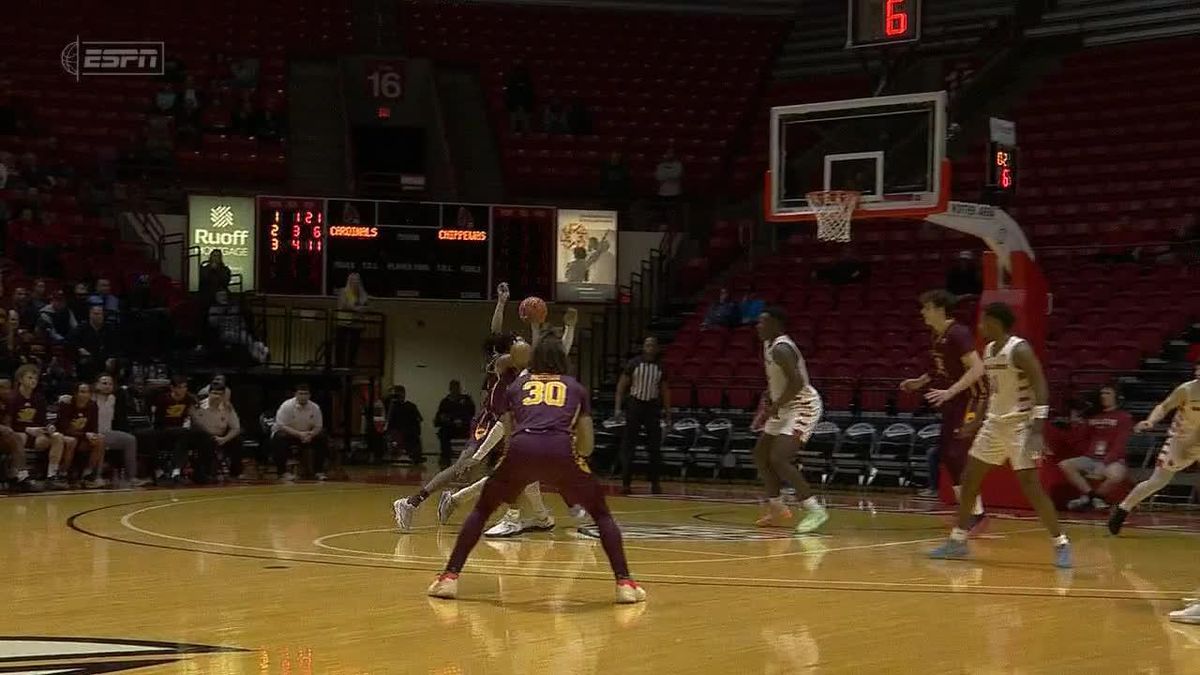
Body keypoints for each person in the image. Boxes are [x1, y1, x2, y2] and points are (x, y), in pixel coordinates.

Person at [426, 336, 647, 605]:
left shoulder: (517, 387)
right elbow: (587, 446)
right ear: (563, 361)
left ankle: (449, 578)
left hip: (522, 448)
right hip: (560, 449)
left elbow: (508, 432)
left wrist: (513, 466)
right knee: (601, 514)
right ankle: (624, 583)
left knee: (482, 511)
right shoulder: (575, 388)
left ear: (535, 360)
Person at [929, 302, 1072, 568]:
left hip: (1021, 425)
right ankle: (958, 541)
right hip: (994, 425)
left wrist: (1038, 430)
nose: (980, 326)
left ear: (995, 322)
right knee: (969, 479)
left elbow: (1041, 387)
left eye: (983, 321)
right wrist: (976, 421)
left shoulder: (1019, 349)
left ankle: (1061, 543)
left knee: (1032, 488)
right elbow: (993, 392)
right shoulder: (989, 351)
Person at [900, 290, 987, 523]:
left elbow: (977, 368)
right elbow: (939, 368)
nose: (922, 312)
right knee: (947, 455)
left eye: (926, 307)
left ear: (939, 309)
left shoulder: (958, 333)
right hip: (955, 400)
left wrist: (950, 391)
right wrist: (919, 382)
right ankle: (970, 510)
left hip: (973, 398)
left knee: (956, 453)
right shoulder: (937, 336)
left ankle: (975, 512)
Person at [751, 308, 828, 532]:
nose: (758, 326)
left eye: (762, 322)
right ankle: (777, 507)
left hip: (802, 406)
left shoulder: (782, 348)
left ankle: (815, 509)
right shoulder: (768, 345)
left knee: (779, 458)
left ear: (776, 325)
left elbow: (796, 384)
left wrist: (774, 406)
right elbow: (777, 381)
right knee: (761, 454)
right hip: (783, 406)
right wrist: (767, 402)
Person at [1107, 360, 1200, 535]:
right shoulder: (1186, 390)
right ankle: (1122, 510)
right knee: (1158, 481)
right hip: (1180, 441)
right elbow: (1164, 406)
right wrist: (1151, 420)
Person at [1059, 385, 1132, 510]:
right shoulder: (1093, 417)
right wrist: (1075, 423)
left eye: (1108, 393)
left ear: (1116, 397)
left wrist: (1105, 462)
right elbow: (1078, 439)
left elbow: (1120, 443)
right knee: (1065, 465)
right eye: (1102, 393)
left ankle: (1095, 498)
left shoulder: (1124, 417)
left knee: (1116, 475)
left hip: (1113, 459)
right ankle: (1092, 496)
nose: (1103, 396)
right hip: (1091, 457)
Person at [614, 336, 671, 495]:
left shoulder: (660, 367)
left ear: (657, 348)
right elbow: (621, 386)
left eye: (653, 345)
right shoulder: (634, 364)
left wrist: (668, 413)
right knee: (629, 446)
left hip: (652, 407)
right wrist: (618, 409)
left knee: (654, 447)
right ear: (643, 347)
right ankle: (626, 483)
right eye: (647, 345)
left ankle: (655, 483)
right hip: (635, 405)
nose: (650, 348)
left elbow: (665, 391)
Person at [9, 364, 69, 489]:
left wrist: (49, 427)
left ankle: (52, 476)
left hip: (36, 435)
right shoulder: (12, 398)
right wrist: (27, 429)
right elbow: (8, 425)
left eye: (35, 379)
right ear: (20, 379)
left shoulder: (39, 398)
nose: (33, 381)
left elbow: (43, 420)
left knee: (57, 437)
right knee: (18, 437)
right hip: (19, 433)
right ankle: (21, 476)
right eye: (30, 378)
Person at [93, 373, 150, 487]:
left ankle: (131, 477)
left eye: (110, 384)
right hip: (92, 432)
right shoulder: (90, 398)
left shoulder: (113, 399)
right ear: (96, 385)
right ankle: (96, 477)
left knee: (130, 439)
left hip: (107, 432)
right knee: (101, 440)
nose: (107, 386)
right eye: (104, 383)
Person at [271, 382, 328, 481]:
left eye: (305, 394)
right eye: (301, 393)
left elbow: (318, 426)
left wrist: (311, 434)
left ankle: (318, 471)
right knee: (279, 438)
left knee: (322, 437)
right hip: (289, 434)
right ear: (296, 394)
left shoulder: (315, 408)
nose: (303, 396)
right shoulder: (287, 406)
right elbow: (282, 425)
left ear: (309, 395)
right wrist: (299, 434)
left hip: (306, 435)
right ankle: (282, 473)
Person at [189, 381, 241, 482]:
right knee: (205, 441)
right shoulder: (198, 407)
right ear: (209, 393)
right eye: (214, 393)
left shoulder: (228, 408)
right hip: (202, 437)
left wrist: (224, 439)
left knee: (237, 440)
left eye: (220, 394)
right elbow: (192, 424)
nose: (217, 397)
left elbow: (236, 428)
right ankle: (206, 473)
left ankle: (235, 473)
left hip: (221, 436)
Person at [58, 381, 106, 488]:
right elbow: (64, 429)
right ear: (75, 393)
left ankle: (88, 475)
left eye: (88, 392)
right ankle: (62, 474)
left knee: (100, 439)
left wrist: (93, 435)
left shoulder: (93, 406)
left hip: (83, 437)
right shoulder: (66, 404)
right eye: (82, 392)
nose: (85, 395)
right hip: (67, 436)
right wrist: (85, 435)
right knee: (72, 441)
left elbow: (94, 427)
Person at [0, 377, 40, 492]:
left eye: (7, 388)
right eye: (2, 388)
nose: (5, 391)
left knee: (16, 438)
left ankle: (18, 476)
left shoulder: (8, 402)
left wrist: (6, 429)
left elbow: (8, 423)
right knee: (14, 438)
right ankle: (19, 476)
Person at [433, 380, 475, 469]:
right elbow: (440, 417)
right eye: (453, 388)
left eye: (457, 388)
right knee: (443, 433)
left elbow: (471, 413)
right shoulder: (445, 402)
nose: (455, 390)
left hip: (464, 426)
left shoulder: (466, 400)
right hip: (450, 427)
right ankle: (445, 459)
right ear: (450, 389)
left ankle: (470, 459)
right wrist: (450, 420)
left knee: (474, 434)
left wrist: (462, 420)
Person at [334, 272, 369, 367]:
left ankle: (351, 363)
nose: (355, 282)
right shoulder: (344, 291)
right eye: (353, 280)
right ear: (349, 281)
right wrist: (356, 309)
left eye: (357, 280)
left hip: (357, 323)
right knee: (341, 345)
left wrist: (362, 308)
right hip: (344, 322)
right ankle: (339, 365)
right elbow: (343, 305)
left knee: (354, 346)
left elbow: (366, 305)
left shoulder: (362, 294)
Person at [385, 385, 424, 465]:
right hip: (396, 430)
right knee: (402, 435)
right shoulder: (391, 406)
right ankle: (409, 454)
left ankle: (415, 455)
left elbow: (419, 418)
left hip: (409, 430)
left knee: (412, 435)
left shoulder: (411, 406)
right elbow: (389, 420)